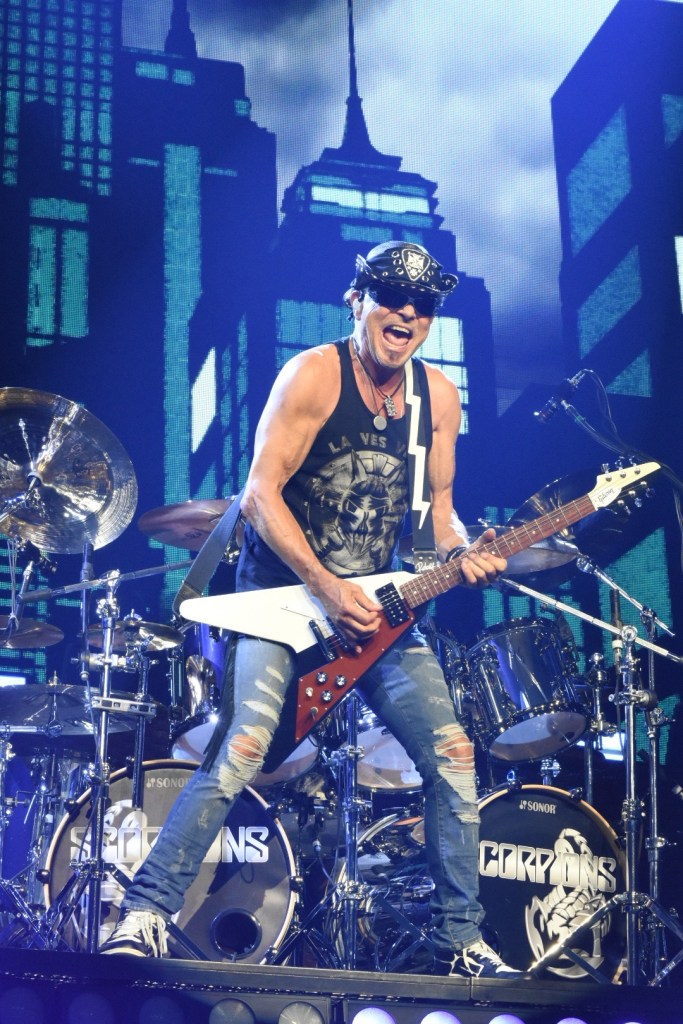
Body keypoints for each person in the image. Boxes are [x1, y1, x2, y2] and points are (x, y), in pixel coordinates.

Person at [101, 240, 520, 978]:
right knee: (240, 749)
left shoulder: (438, 397)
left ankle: (460, 943)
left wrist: (465, 551)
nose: (408, 313)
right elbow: (259, 495)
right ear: (356, 299)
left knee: (454, 755)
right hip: (281, 603)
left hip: (380, 613)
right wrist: (327, 587)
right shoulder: (314, 375)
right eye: (391, 296)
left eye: (423, 304)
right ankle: (143, 914)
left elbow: (439, 513)